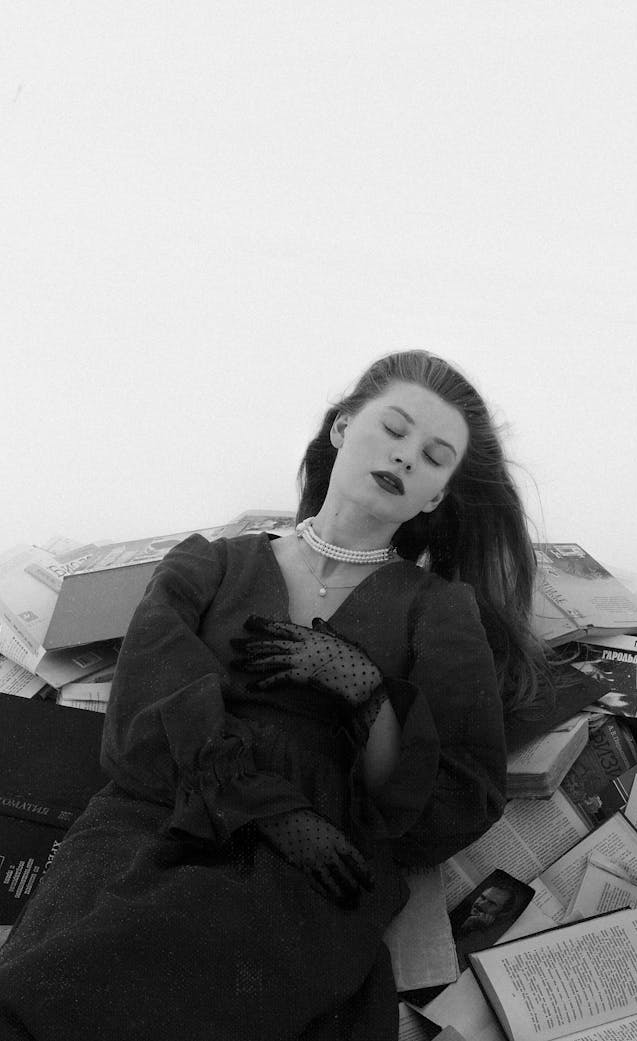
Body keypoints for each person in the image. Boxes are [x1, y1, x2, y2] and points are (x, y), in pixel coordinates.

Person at [0, 349, 546, 1041]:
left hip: (312, 870)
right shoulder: (209, 565)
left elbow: (447, 804)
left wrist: (368, 694)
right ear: (343, 427)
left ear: (435, 497)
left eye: (435, 457)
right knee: (48, 985)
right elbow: (141, 727)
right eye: (394, 429)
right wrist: (262, 806)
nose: (407, 457)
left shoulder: (439, 611)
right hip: (157, 821)